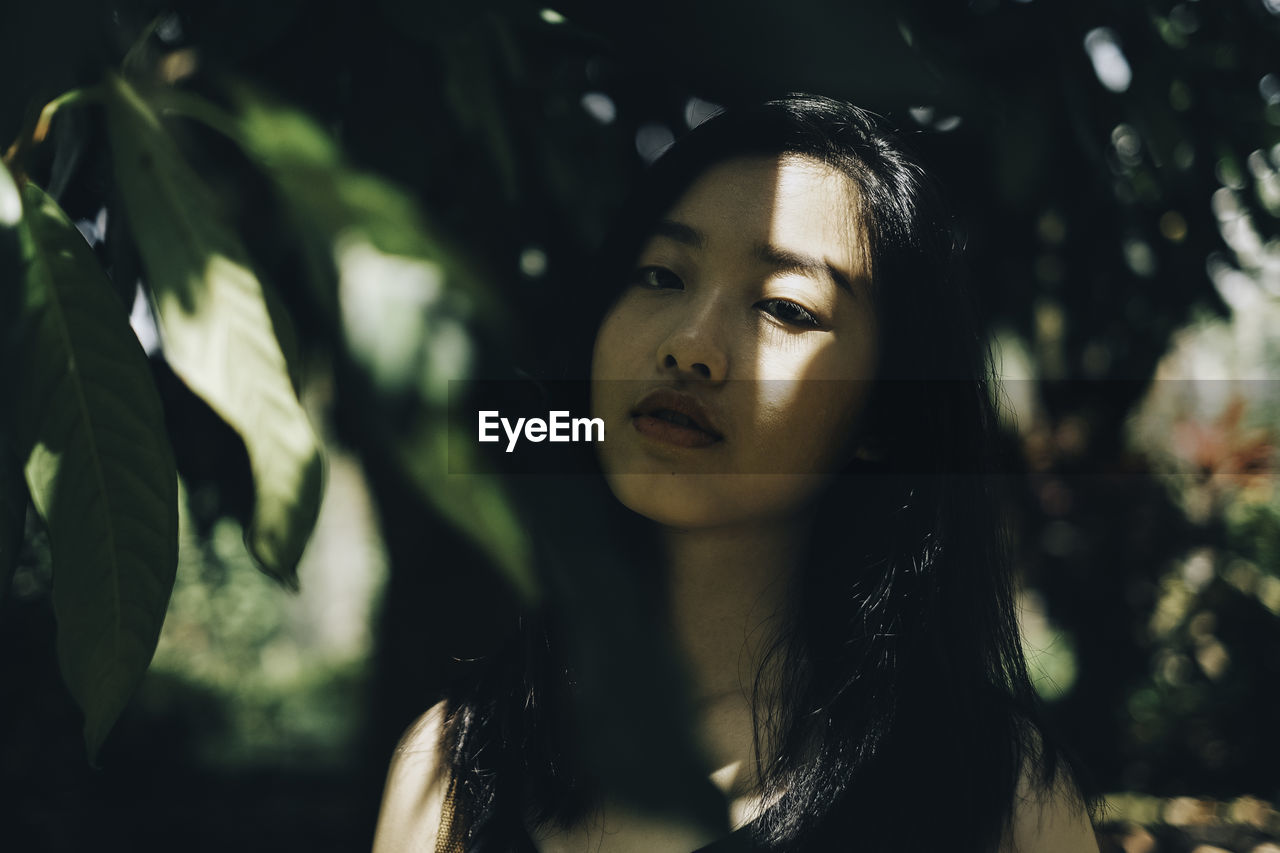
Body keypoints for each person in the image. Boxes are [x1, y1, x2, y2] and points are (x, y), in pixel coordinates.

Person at [372, 94, 1100, 852]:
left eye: (784, 308)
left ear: (884, 417)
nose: (690, 345)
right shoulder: (454, 767)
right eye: (660, 275)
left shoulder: (999, 799)